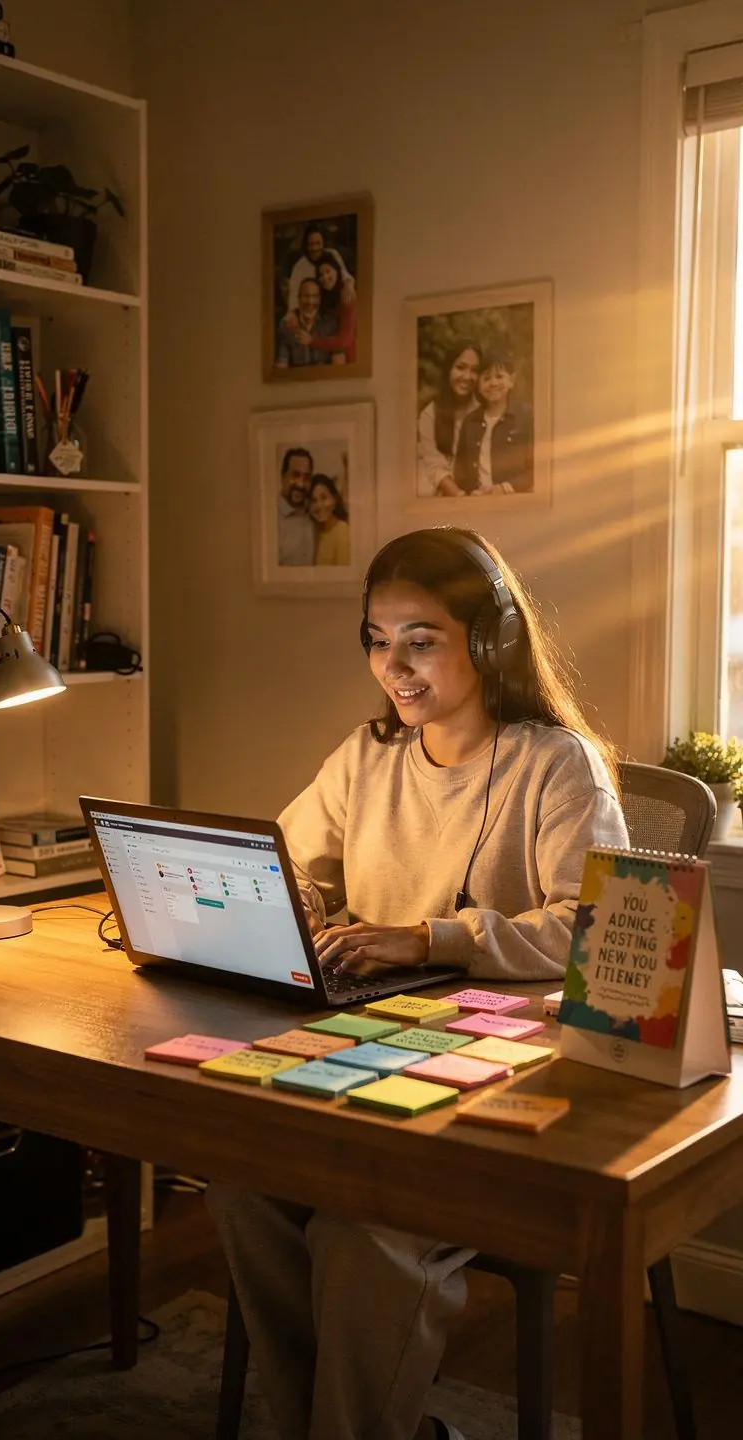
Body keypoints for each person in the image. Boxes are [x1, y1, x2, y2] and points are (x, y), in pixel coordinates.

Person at [206, 526, 629, 1440]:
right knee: (244, 1188)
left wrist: (428, 938)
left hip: (510, 1075)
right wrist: (307, 907)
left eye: (421, 640)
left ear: (490, 641)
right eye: (375, 639)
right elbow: (287, 859)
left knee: (365, 1238)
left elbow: (594, 929)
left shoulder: (557, 765)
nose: (393, 666)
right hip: (367, 1046)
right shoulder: (365, 756)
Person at [453, 350, 534, 495]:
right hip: (477, 503)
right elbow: (460, 473)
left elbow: (538, 470)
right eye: (486, 378)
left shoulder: (527, 416)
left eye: (499, 376)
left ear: (512, 381)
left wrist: (505, 488)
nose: (493, 383)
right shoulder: (470, 422)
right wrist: (470, 492)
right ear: (478, 385)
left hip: (516, 502)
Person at [416, 341, 481, 497]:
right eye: (460, 367)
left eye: (474, 370)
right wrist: (461, 498)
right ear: (449, 369)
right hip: (448, 498)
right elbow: (435, 467)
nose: (467, 376)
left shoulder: (483, 409)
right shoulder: (430, 414)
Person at [286, 250, 356, 364]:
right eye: (321, 275)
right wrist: (293, 314)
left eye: (328, 271)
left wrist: (312, 341)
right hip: (327, 357)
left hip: (348, 359)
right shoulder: (323, 296)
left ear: (337, 271)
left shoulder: (346, 295)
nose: (325, 277)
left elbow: (345, 340)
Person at [286, 221, 355, 311]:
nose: (315, 248)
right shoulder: (299, 268)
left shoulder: (332, 254)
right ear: (305, 246)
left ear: (323, 243)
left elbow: (346, 277)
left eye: (318, 243)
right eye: (311, 244)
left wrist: (348, 285)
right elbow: (293, 303)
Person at [275, 277, 340, 368]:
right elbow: (281, 363)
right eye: (306, 296)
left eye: (315, 296)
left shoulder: (330, 324)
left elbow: (339, 366)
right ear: (298, 298)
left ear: (320, 299)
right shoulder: (287, 325)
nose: (310, 301)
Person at [277, 447, 315, 566]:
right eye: (295, 475)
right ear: (283, 477)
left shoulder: (315, 513)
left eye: (306, 477)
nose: (300, 483)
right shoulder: (270, 520)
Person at [309, 472, 350, 565]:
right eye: (314, 500)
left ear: (334, 499)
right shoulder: (317, 532)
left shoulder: (342, 530)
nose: (319, 505)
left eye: (324, 498)